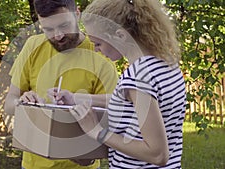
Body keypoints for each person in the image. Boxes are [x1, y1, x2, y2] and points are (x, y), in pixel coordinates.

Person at [49, 0, 186, 168]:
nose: (96, 50)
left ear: (120, 35)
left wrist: (97, 132)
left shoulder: (137, 77)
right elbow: (129, 103)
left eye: (98, 43)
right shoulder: (167, 65)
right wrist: (75, 98)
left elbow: (157, 154)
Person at [3, 0, 118, 168]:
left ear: (77, 14)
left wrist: (87, 157)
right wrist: (23, 103)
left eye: (64, 26)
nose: (58, 36)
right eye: (48, 29)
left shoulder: (101, 55)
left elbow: (111, 117)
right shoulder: (33, 46)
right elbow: (9, 104)